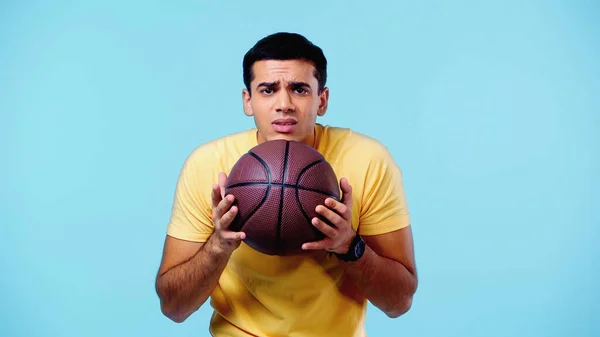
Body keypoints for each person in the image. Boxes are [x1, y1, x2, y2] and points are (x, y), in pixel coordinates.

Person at [155, 32, 418, 337]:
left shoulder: (368, 160)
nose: (284, 104)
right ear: (247, 101)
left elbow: (399, 302)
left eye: (299, 89)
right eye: (267, 90)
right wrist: (218, 245)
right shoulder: (207, 165)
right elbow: (173, 307)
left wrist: (349, 245)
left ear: (322, 100)